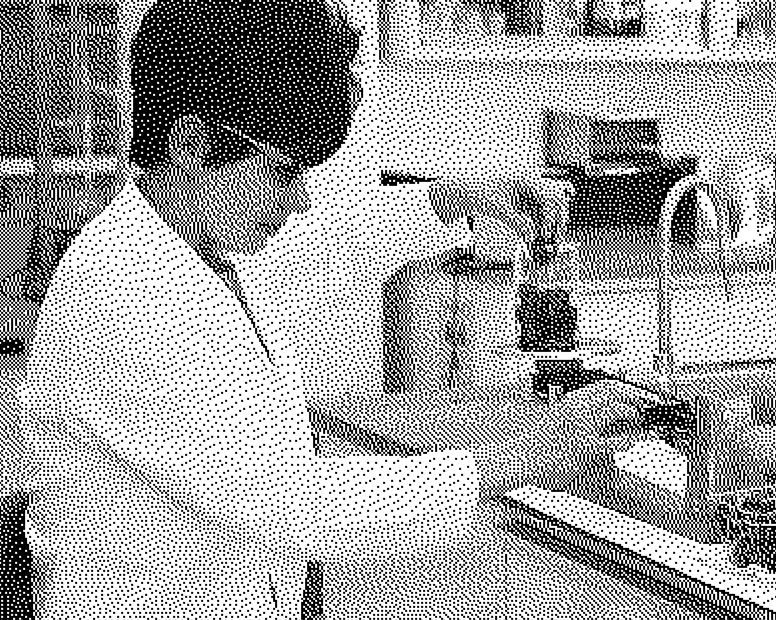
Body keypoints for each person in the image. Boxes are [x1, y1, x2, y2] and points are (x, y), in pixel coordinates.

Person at [13, 1, 653, 619]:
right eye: (287, 168)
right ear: (189, 142)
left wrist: (453, 199)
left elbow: (327, 274)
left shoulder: (196, 245)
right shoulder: (123, 298)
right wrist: (498, 469)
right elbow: (289, 521)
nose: (299, 203)